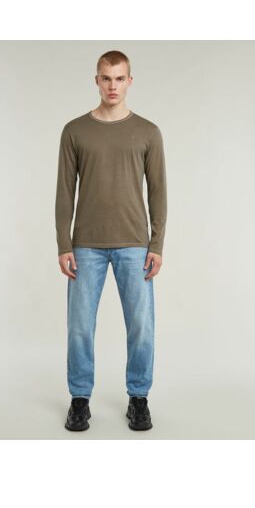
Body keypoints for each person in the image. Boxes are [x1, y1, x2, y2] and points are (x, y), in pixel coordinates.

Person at [55, 50, 167, 431]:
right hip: (85, 244)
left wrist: (156, 244)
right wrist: (64, 243)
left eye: (119, 78)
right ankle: (79, 399)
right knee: (79, 327)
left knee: (141, 325)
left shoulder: (148, 132)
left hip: (134, 244)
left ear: (130, 81)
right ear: (97, 80)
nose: (113, 86)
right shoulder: (75, 131)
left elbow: (158, 192)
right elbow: (65, 192)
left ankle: (139, 398)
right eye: (106, 78)